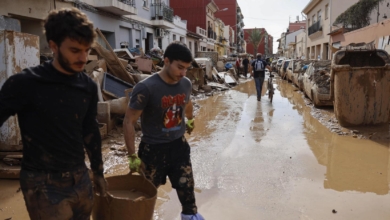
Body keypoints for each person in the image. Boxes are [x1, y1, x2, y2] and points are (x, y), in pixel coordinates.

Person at [0, 8, 106, 219]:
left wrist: (98, 171)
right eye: (75, 50)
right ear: (53, 46)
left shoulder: (87, 86)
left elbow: (90, 129)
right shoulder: (25, 84)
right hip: (43, 183)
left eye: (87, 50)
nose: (83, 58)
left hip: (80, 177)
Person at [123, 42, 204, 220]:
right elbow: (129, 121)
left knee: (188, 193)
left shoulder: (186, 84)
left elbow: (187, 102)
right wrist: (131, 155)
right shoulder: (146, 88)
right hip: (153, 150)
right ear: (166, 61)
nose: (183, 73)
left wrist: (190, 119)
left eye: (187, 69)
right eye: (180, 67)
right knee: (146, 197)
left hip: (179, 147)